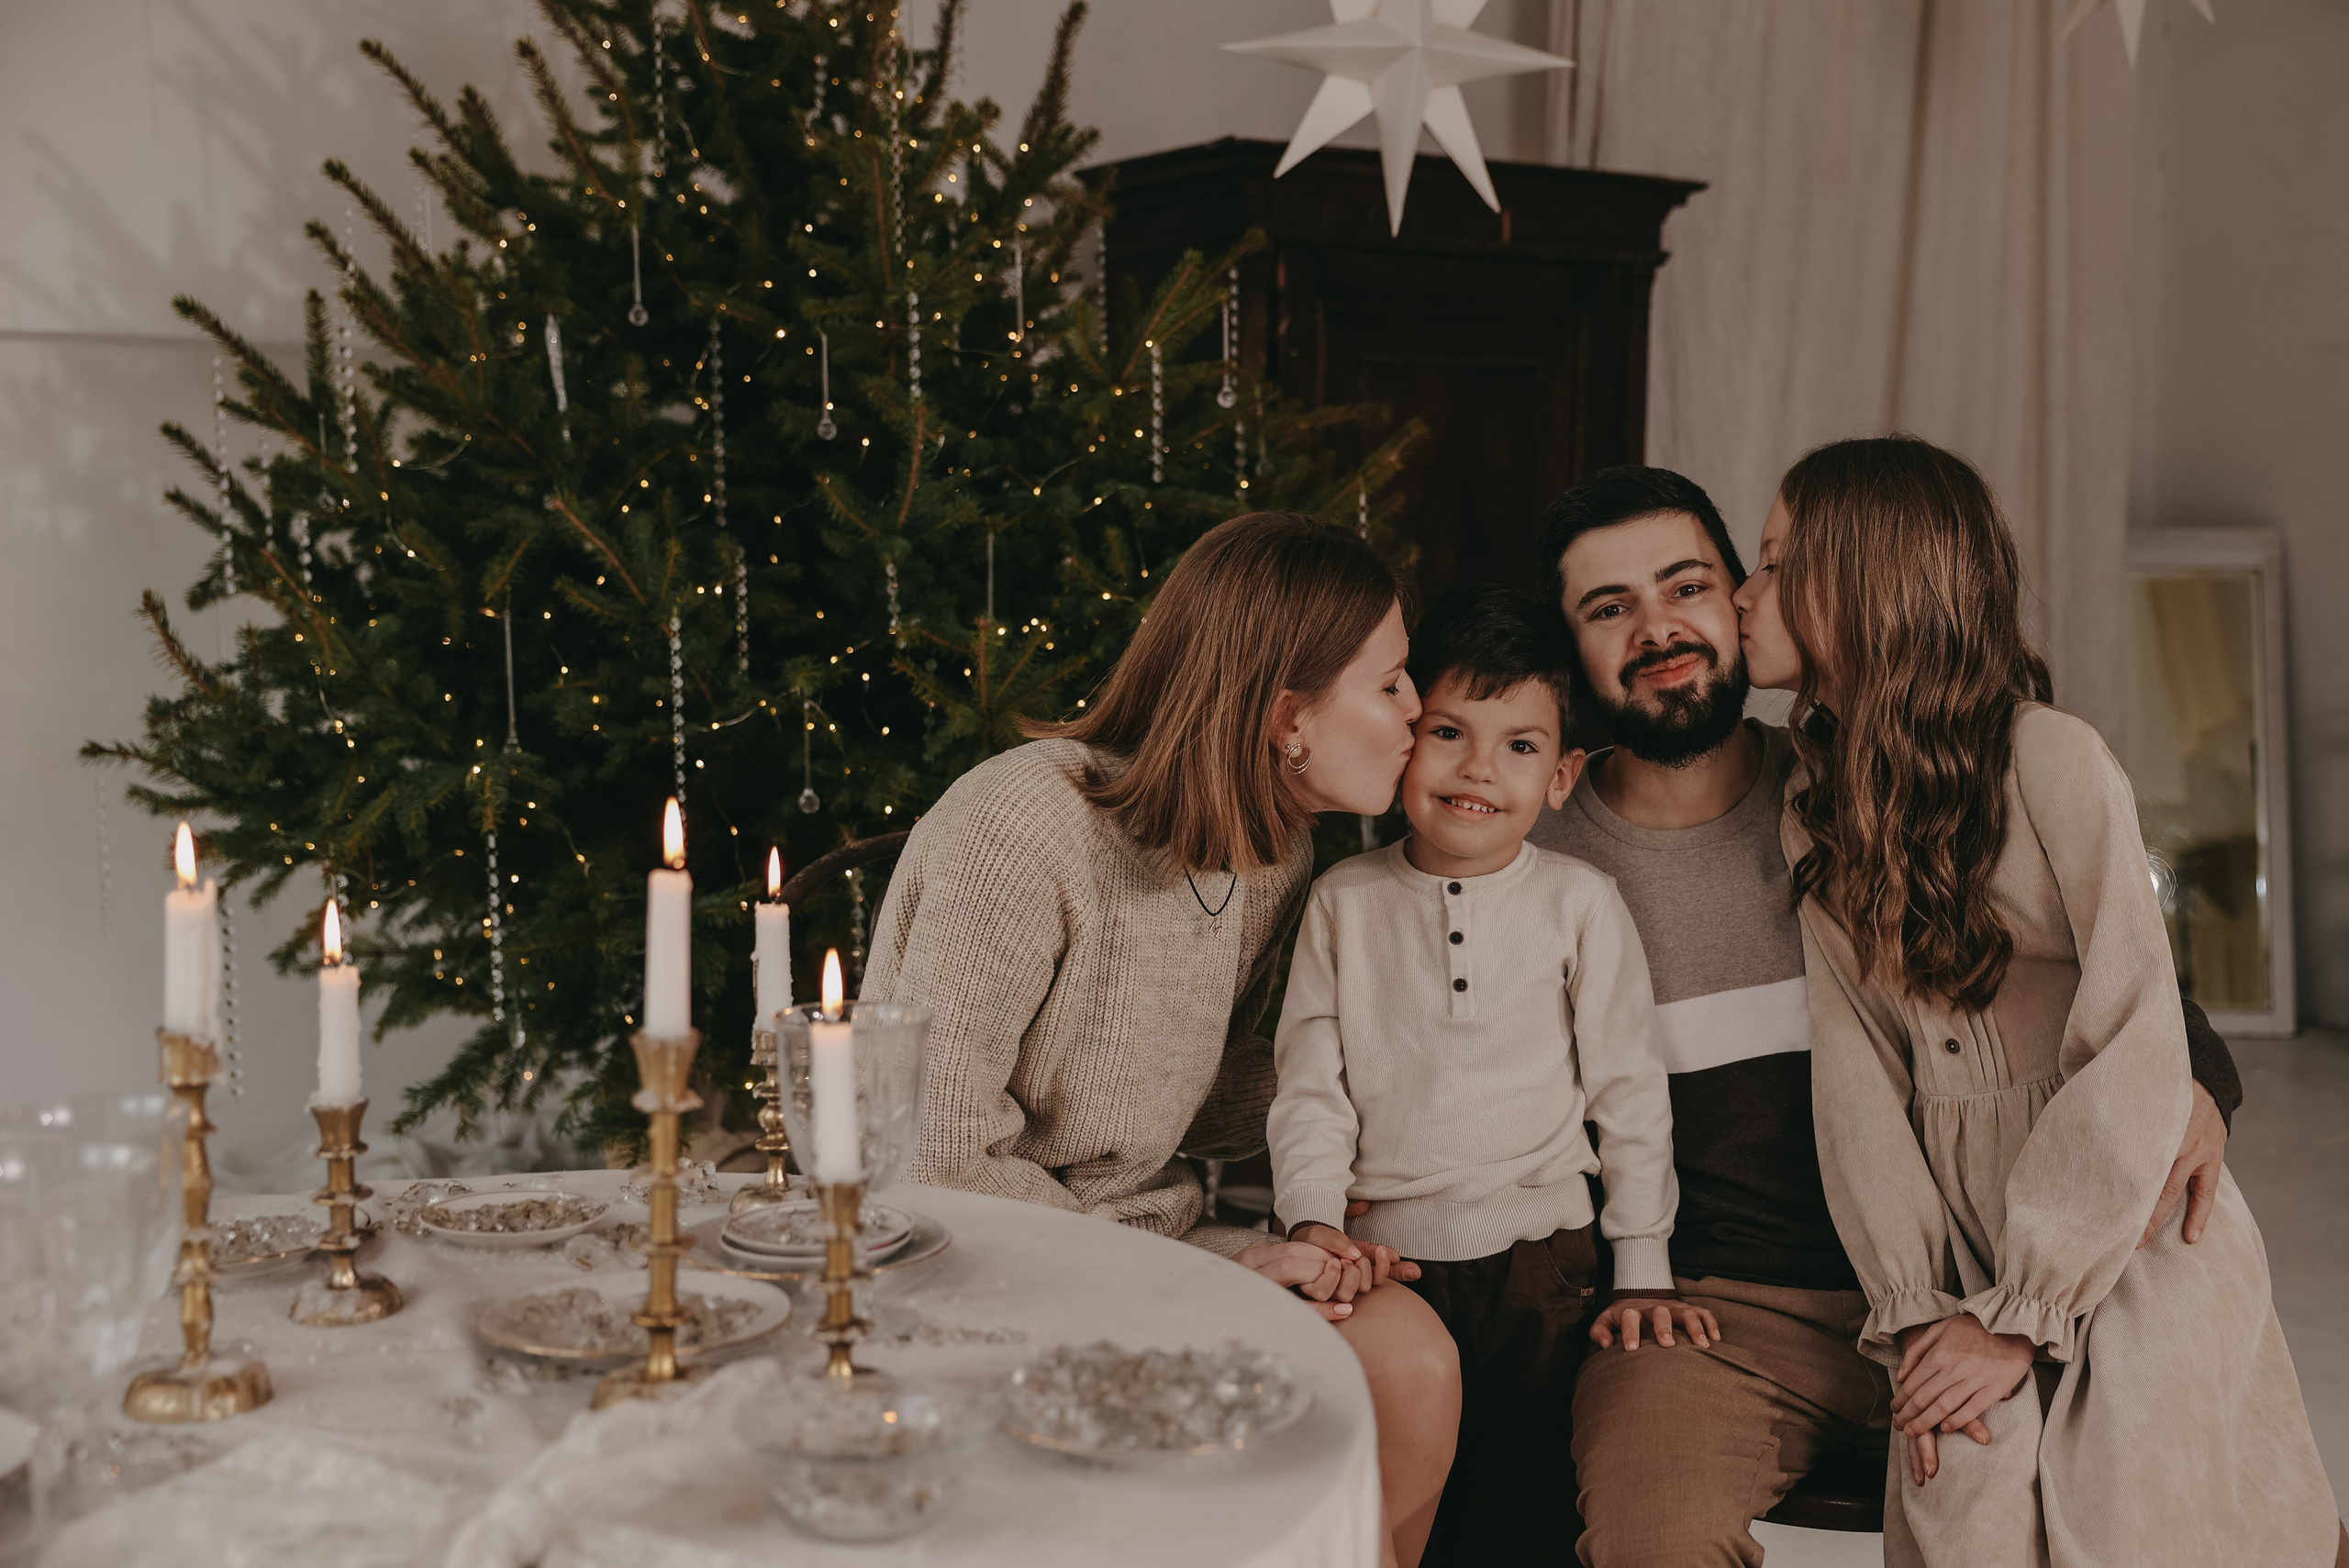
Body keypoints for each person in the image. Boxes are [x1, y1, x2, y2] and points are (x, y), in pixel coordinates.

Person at [1523, 464, 2247, 1568]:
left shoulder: (1865, 785)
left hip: (1971, 1263)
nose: (1659, 627)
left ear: (1745, 597)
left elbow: (2101, 982)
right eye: (1608, 607)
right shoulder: (1536, 860)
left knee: (2174, 1508)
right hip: (1723, 1317)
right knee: (1650, 1536)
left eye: (1692, 584)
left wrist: (2198, 1085)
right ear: (1567, 648)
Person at [1737, 434, 2339, 1567]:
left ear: (1863, 582)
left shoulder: (2050, 760)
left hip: (2127, 1224)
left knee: (2143, 1509)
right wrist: (1920, 1304)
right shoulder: (1812, 807)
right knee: (1959, 1486)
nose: (1740, 591)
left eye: (1772, 563)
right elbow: (1857, 1084)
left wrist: (2026, 1305)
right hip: (1957, 1248)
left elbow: (2134, 1031)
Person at [861, 511, 1460, 1568]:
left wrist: (1351, 1112)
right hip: (978, 1257)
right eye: (1393, 682)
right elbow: (931, 1152)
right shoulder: (1019, 827)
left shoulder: (1272, 850)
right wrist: (1191, 1276)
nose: (1422, 711)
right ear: (1288, 715)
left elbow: (1191, 1084)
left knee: (1411, 1362)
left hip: (1142, 1236)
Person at [1270, 584, 1705, 1566]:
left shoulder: (1580, 904)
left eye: (1518, 745)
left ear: (1561, 776)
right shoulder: (1343, 901)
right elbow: (1310, 1084)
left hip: (1541, 1266)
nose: (1477, 768)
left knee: (1522, 1519)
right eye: (1448, 731)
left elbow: (1628, 1093)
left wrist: (1640, 1265)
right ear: (1405, 739)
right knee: (1399, 1509)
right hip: (1386, 1265)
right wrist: (1313, 1220)